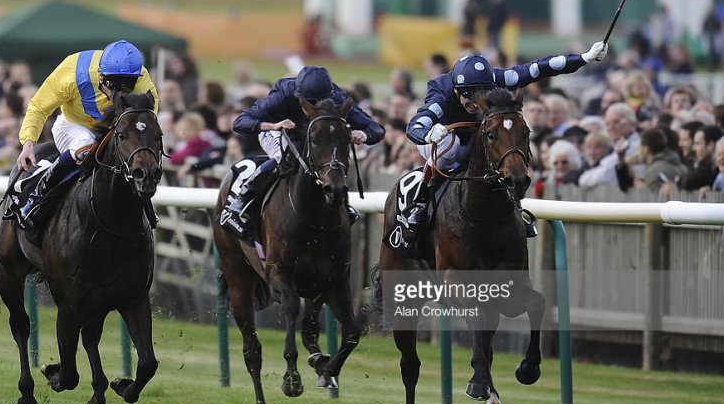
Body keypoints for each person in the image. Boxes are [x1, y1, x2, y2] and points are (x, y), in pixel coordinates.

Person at [401, 41, 609, 243]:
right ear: (456, 90)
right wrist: (428, 133)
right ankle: (421, 201)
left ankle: (515, 207)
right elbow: (415, 126)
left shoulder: (499, 78)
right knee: (450, 146)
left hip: (477, 133)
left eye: (483, 94)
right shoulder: (442, 92)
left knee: (502, 143)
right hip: (441, 137)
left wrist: (583, 58)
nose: (476, 102)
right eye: (469, 95)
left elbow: (540, 68)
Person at [16, 40, 159, 230]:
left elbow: (146, 121)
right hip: (72, 125)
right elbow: (39, 107)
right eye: (116, 85)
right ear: (100, 75)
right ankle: (36, 198)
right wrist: (28, 143)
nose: (122, 91)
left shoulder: (140, 79)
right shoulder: (72, 73)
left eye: (128, 85)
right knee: (86, 145)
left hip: (113, 129)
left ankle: (143, 207)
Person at [226, 65, 385, 232]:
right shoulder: (283, 94)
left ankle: (341, 204)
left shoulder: (338, 97)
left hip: (314, 136)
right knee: (285, 158)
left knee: (329, 159)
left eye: (320, 103)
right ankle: (244, 197)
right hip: (278, 131)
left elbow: (377, 129)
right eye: (310, 103)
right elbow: (240, 122)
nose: (315, 108)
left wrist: (363, 135)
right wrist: (274, 125)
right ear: (299, 96)